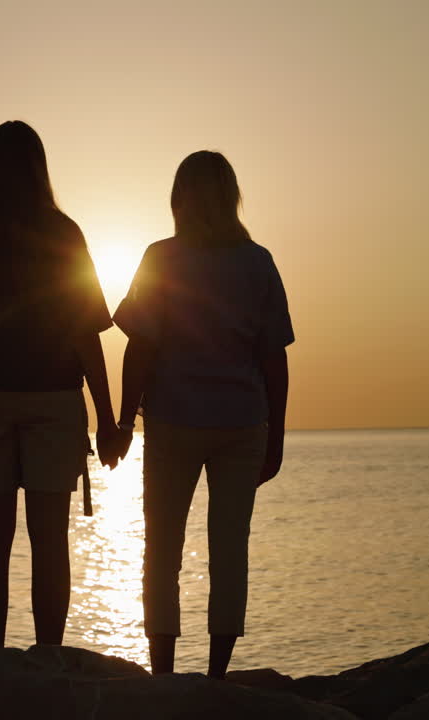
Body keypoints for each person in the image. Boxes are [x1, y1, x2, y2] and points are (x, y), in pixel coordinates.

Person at [0, 121, 121, 658]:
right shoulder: (64, 233)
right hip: (53, 397)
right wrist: (106, 418)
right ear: (41, 168)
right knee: (49, 541)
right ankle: (47, 662)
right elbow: (86, 334)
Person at [111, 150, 294, 678]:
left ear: (180, 198)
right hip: (242, 424)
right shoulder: (257, 262)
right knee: (230, 551)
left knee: (161, 549)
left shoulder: (161, 257)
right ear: (231, 197)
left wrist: (125, 423)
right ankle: (216, 678)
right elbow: (273, 357)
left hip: (173, 421)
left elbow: (139, 346)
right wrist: (276, 435)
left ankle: (162, 676)